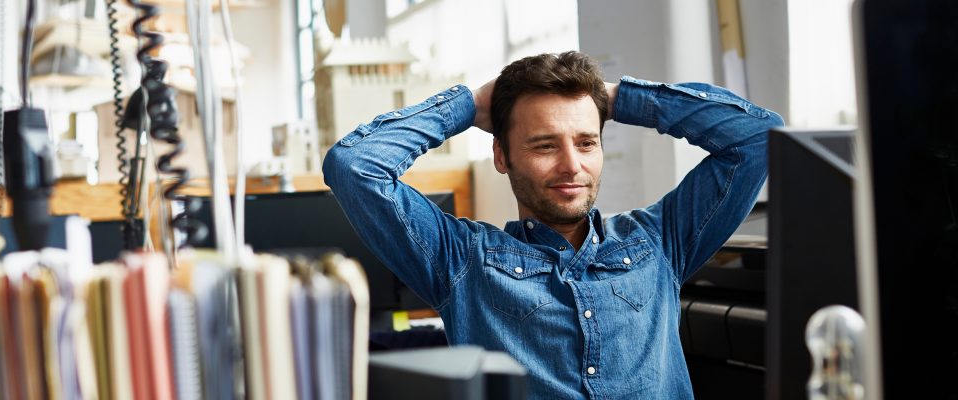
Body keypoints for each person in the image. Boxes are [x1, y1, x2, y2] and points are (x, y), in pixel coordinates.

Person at [322, 51, 782, 398]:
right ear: (502, 156)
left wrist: (617, 99)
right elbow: (355, 165)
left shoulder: (659, 241)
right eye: (544, 146)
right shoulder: (460, 259)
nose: (571, 166)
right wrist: (470, 104)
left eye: (586, 142)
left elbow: (759, 137)